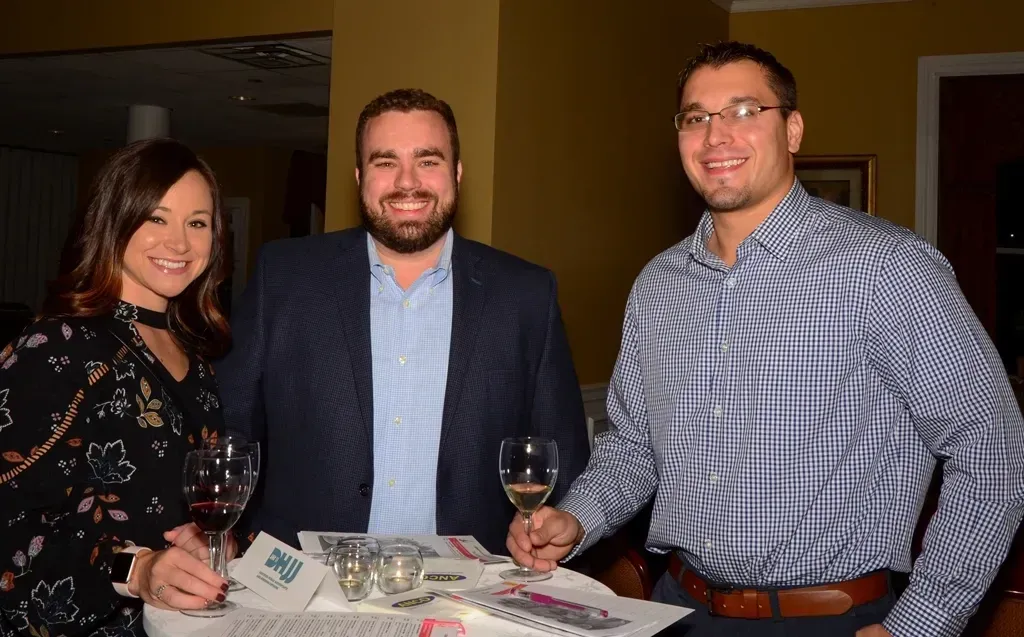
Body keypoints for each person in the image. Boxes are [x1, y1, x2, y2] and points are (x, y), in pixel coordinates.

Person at [507, 41, 1024, 637]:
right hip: (681, 610)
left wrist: (923, 621)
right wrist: (577, 519)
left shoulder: (887, 268)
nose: (715, 135)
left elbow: (992, 449)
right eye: (696, 117)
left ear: (794, 130)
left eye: (744, 111)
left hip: (836, 622)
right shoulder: (658, 285)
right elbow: (633, 447)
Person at [217, 88, 590, 556]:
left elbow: (565, 456)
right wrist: (232, 536)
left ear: (456, 174)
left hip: (471, 594)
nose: (406, 182)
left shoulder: (526, 294)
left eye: (428, 161)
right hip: (308, 587)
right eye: (385, 162)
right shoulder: (285, 277)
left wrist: (554, 528)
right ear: (360, 177)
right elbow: (230, 429)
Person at [0, 139, 236, 636]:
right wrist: (134, 570)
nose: (179, 243)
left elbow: (158, 505)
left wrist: (198, 541)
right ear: (114, 220)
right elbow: (11, 529)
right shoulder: (58, 344)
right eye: (155, 218)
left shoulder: (195, 355)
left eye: (197, 223)